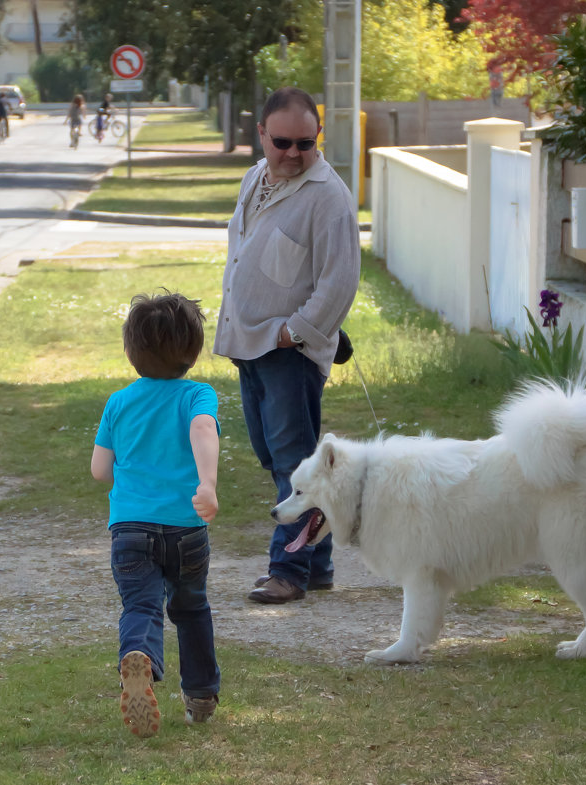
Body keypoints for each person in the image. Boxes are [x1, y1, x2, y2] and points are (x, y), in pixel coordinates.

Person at [213, 86, 360, 605]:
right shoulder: (255, 177)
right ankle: (317, 564)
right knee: (274, 456)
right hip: (248, 344)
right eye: (282, 142)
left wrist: (292, 332)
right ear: (262, 135)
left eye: (306, 142)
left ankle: (289, 570)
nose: (294, 153)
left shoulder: (329, 197)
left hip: (286, 353)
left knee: (294, 465)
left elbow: (339, 282)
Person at [91, 291, 222, 737]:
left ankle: (140, 656)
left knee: (141, 605)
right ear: (193, 350)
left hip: (129, 528)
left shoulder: (118, 402)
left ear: (131, 351)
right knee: (191, 608)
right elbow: (203, 428)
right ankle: (201, 694)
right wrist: (206, 483)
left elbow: (99, 471)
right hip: (186, 528)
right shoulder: (197, 394)